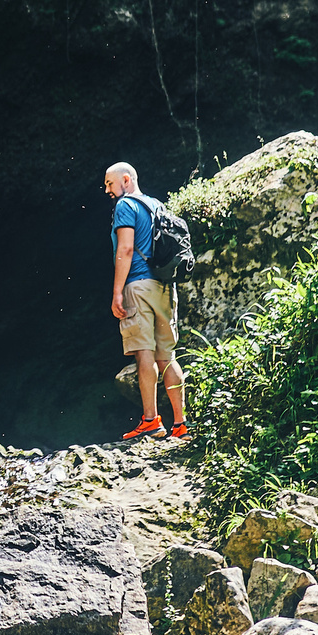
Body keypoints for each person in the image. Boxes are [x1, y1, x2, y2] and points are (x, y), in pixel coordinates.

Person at [104, 162, 188, 440]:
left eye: (110, 183)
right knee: (167, 356)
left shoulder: (125, 205)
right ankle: (181, 425)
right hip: (165, 286)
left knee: (144, 353)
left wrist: (117, 291)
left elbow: (126, 248)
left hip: (138, 286)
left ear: (126, 180)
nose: (107, 190)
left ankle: (151, 421)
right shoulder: (156, 205)